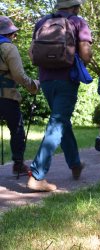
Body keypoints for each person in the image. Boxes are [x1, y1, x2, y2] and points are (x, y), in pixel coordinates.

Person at [27, 0, 93, 192]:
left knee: (62, 121)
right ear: (75, 7)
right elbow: (86, 54)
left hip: (46, 81)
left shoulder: (42, 23)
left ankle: (75, 164)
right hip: (66, 80)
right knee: (57, 123)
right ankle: (37, 175)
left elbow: (32, 54)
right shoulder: (78, 22)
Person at [0, 16, 39, 176]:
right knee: (17, 129)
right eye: (14, 34)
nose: (14, 37)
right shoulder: (9, 48)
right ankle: (18, 164)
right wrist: (34, 85)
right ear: (9, 34)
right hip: (7, 96)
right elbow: (19, 75)